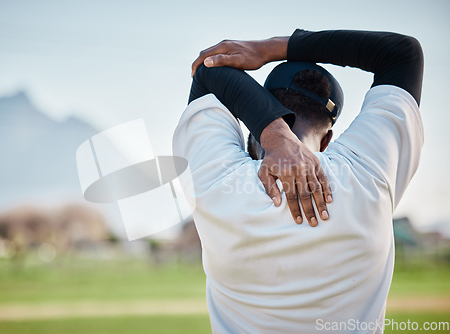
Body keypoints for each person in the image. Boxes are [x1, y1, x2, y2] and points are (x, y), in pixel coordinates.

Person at [173, 29, 423, 333]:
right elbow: (401, 53)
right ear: (328, 138)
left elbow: (209, 72)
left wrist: (273, 132)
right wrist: (270, 49)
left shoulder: (218, 182)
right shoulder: (368, 173)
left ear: (251, 114)